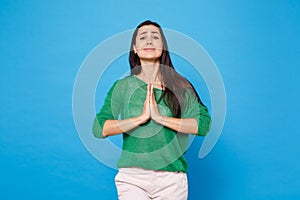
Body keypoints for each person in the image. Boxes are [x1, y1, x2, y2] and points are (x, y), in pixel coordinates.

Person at [93, 20, 211, 200]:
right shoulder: (122, 87)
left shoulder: (180, 86)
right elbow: (99, 128)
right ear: (134, 48)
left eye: (155, 37)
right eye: (143, 37)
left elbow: (203, 125)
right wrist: (140, 118)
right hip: (133, 178)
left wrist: (161, 118)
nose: (149, 41)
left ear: (163, 46)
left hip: (172, 180)